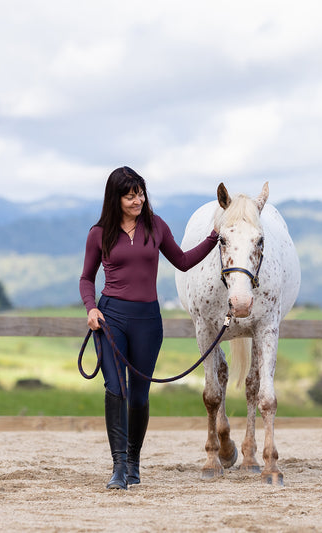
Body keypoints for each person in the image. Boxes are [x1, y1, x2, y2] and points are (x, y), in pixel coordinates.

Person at [79, 166, 218, 490]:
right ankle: (117, 469)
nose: (138, 200)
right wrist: (91, 307)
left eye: (140, 193)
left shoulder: (156, 227)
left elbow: (182, 261)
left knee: (139, 397)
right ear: (116, 199)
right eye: (130, 196)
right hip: (111, 319)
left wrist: (214, 239)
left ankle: (133, 461)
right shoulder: (99, 234)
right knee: (116, 389)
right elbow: (87, 278)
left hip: (147, 321)